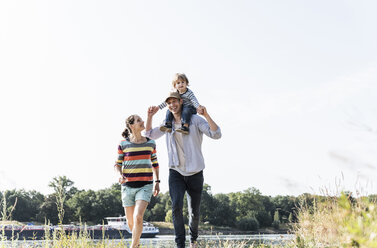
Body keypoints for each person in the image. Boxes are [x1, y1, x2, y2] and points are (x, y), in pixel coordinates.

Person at [145, 92, 221, 248]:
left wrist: (206, 115)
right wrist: (150, 117)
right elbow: (149, 135)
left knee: (194, 212)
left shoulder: (194, 120)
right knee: (176, 206)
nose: (172, 105)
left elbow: (216, 134)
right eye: (169, 103)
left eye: (175, 102)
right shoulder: (167, 123)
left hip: (195, 173)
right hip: (176, 172)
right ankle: (180, 245)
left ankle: (193, 241)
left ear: (181, 102)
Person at [114, 114, 160, 248]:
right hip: (127, 187)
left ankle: (133, 246)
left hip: (145, 185)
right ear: (131, 126)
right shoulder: (123, 144)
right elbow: (117, 164)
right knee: (131, 223)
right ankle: (137, 244)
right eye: (138, 120)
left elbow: (155, 164)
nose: (142, 122)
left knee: (138, 216)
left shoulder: (151, 142)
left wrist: (157, 181)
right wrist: (120, 174)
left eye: (141, 119)